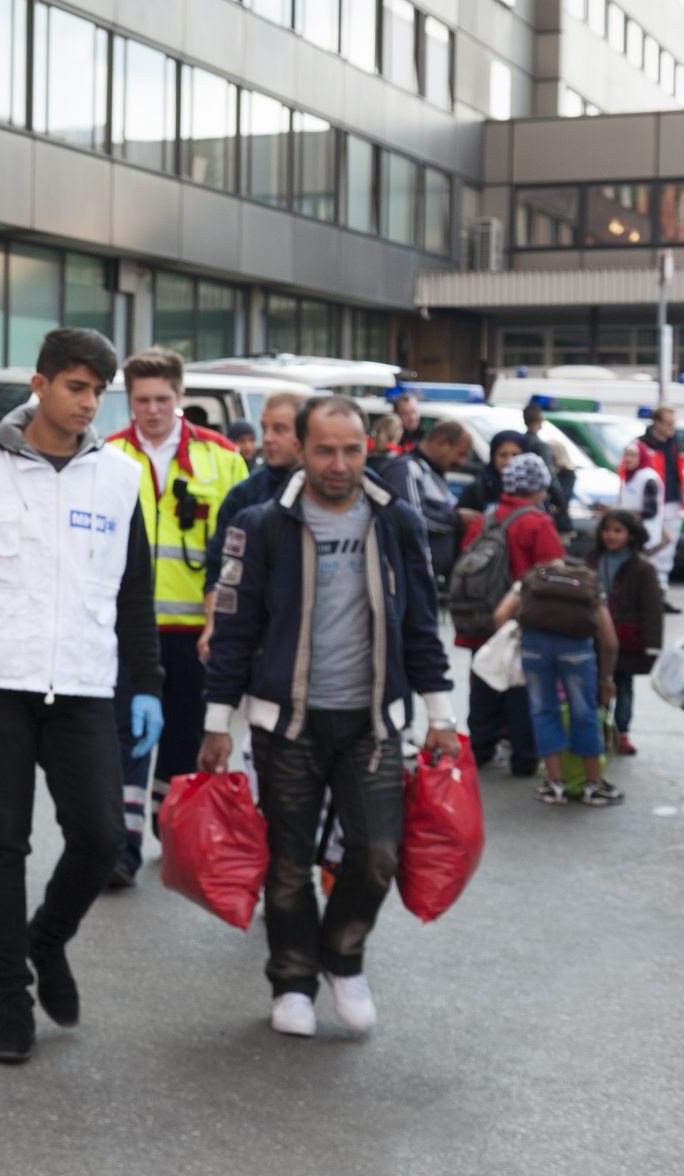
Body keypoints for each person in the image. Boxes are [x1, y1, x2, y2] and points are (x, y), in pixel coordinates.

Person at [0, 328, 162, 1065]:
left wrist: (147, 684)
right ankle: (11, 1002)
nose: (90, 404)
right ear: (40, 385)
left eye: (98, 392)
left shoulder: (117, 477)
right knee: (3, 841)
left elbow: (133, 589)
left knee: (103, 835)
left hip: (81, 683)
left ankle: (49, 938)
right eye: (78, 387)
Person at [200, 396, 459, 1039]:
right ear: (300, 449)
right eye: (324, 450)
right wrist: (215, 723)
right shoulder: (263, 525)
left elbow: (423, 623)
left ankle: (342, 958)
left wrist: (440, 713)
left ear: (367, 448)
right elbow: (233, 632)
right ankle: (291, 981)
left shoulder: (397, 523)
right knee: (287, 863)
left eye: (350, 450)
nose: (338, 464)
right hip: (285, 726)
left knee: (375, 853)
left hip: (372, 724)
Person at [104, 348, 248, 886]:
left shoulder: (223, 457)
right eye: (141, 400)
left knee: (185, 739)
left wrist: (229, 627)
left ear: (181, 397)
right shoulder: (107, 453)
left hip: (197, 632)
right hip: (128, 630)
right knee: (126, 735)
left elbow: (239, 550)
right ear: (129, 400)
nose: (152, 410)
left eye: (163, 399)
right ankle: (122, 846)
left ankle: (171, 827)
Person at [452, 450, 568, 776]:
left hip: (479, 616)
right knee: (520, 689)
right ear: (540, 487)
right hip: (520, 620)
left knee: (485, 684)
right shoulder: (538, 522)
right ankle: (524, 757)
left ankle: (481, 748)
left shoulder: (486, 518)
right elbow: (552, 572)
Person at [496, 546, 620, 806]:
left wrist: (523, 633)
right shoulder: (589, 583)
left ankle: (555, 785)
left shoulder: (532, 579)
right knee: (584, 713)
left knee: (543, 711)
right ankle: (593, 785)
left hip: (535, 648)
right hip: (576, 650)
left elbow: (500, 615)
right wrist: (607, 679)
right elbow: (609, 642)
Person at [203, 390, 306, 610]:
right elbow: (217, 568)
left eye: (280, 429)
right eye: (264, 428)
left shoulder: (330, 490)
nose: (267, 438)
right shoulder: (244, 495)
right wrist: (214, 625)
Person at [587, 507, 663, 758]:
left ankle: (621, 731)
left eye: (618, 531)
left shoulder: (642, 568)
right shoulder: (592, 560)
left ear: (631, 535)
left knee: (623, 685)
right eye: (607, 530)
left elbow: (652, 609)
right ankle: (600, 728)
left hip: (627, 639)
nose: (611, 535)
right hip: (594, 636)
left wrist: (652, 645)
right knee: (597, 683)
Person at [378, 419, 468, 581]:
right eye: (461, 454)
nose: (462, 462)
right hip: (412, 575)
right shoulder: (407, 469)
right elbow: (414, 518)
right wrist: (457, 519)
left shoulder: (428, 470)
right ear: (443, 443)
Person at [618, 438, 678, 586]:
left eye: (633, 455)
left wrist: (624, 514)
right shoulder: (629, 476)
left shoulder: (648, 478)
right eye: (627, 455)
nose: (629, 459)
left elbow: (650, 510)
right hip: (629, 531)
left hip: (644, 534)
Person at [643, 403, 684, 508]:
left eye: (673, 423)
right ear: (657, 423)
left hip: (673, 501)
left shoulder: (675, 443)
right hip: (651, 502)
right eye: (668, 424)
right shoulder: (643, 445)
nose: (672, 427)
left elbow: (680, 472)